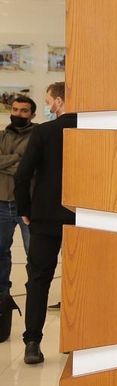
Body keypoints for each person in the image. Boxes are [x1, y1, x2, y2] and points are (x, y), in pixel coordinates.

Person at [14, 82, 75, 365]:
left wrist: (25, 209)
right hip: (82, 218)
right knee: (81, 280)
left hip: (45, 217)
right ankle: (78, 341)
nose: (49, 106)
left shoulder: (43, 132)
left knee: (38, 280)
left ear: (60, 101)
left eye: (50, 101)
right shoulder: (93, 131)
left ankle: (32, 343)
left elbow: (23, 174)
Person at [0, 96, 35, 303]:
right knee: (1, 252)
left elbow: (33, 169)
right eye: (15, 110)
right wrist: (18, 160)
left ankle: (35, 294)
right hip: (1, 203)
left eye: (23, 110)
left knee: (34, 254)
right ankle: (2, 295)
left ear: (32, 114)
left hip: (28, 206)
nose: (18, 114)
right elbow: (24, 168)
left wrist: (6, 164)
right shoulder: (1, 135)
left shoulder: (38, 136)